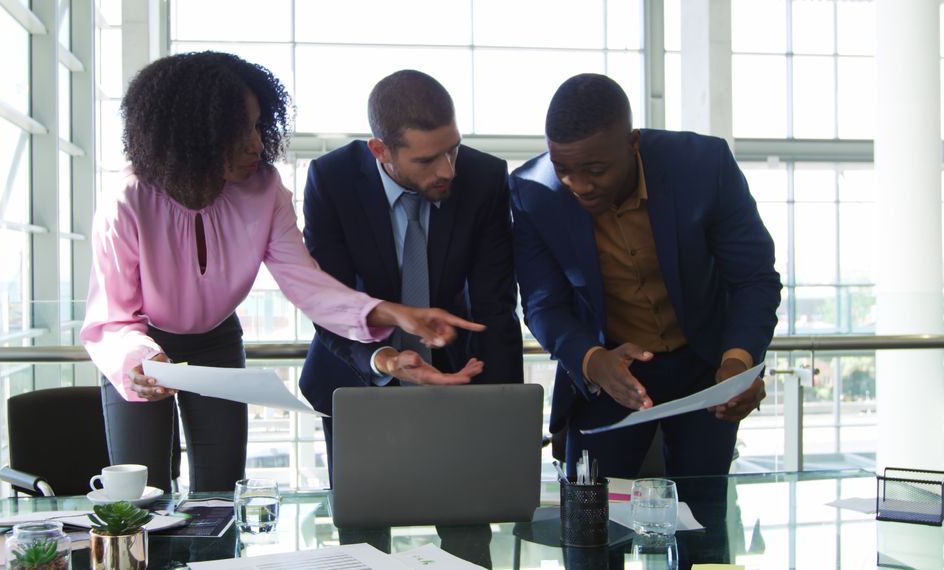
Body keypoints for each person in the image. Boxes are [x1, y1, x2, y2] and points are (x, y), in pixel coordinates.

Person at [80, 53, 483, 494]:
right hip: (139, 346)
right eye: (240, 131)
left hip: (216, 340)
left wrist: (394, 313)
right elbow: (111, 319)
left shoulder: (265, 189)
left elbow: (305, 282)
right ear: (196, 134)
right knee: (139, 496)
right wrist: (140, 361)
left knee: (221, 491)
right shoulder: (129, 199)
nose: (256, 144)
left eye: (257, 126)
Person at [509, 73, 781, 479]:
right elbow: (544, 303)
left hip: (705, 367)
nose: (578, 185)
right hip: (606, 370)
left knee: (704, 513)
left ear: (631, 144)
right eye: (563, 168)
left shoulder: (703, 166)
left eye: (595, 170)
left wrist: (739, 361)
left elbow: (754, 278)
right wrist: (593, 361)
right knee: (590, 518)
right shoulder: (533, 191)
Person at [298, 69, 524, 479]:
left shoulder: (485, 178)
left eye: (452, 150)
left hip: (460, 378)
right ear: (380, 150)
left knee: (469, 529)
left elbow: (495, 304)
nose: (448, 170)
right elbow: (328, 302)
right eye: (426, 159)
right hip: (358, 377)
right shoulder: (332, 180)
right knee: (362, 529)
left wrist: (504, 408)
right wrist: (382, 360)